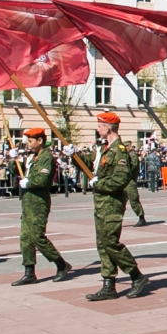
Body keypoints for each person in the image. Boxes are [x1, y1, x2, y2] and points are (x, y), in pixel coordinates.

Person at [84, 113, 149, 300]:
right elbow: (90, 165)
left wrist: (99, 184)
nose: (98, 129)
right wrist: (74, 157)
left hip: (112, 202)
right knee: (103, 244)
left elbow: (121, 179)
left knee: (111, 242)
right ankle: (108, 284)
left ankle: (137, 276)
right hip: (102, 202)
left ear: (108, 128)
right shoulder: (105, 149)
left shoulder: (118, 150)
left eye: (100, 125)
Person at [13, 128, 73, 286]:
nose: (28, 143)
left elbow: (42, 180)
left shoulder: (46, 157)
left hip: (39, 202)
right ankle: (29, 272)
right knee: (25, 238)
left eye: (31, 140)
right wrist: (15, 161)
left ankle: (61, 264)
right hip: (28, 201)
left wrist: (29, 183)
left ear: (40, 141)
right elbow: (19, 173)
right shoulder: (33, 157)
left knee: (37, 236)